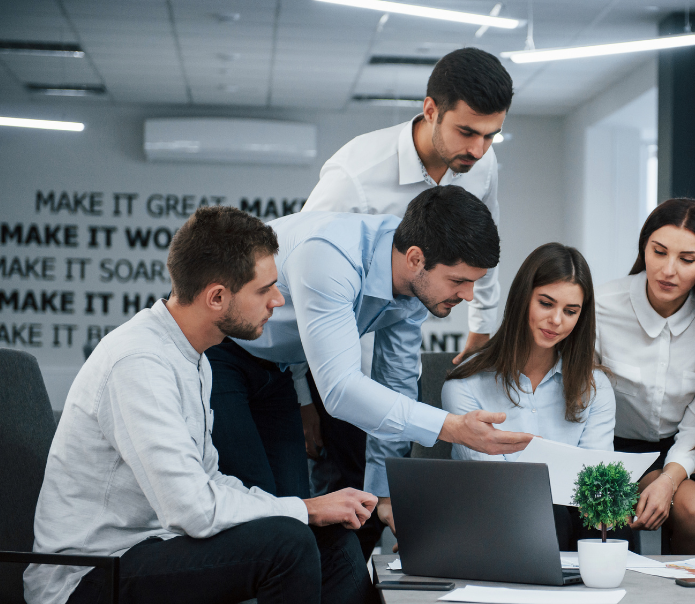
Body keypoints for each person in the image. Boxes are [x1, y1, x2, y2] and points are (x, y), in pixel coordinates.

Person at [24, 207, 385, 604]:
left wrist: (314, 512)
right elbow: (192, 510)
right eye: (265, 289)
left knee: (332, 536)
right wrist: (303, 508)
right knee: (288, 542)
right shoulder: (138, 362)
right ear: (216, 297)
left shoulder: (194, 357)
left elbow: (210, 481)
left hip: (153, 548)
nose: (279, 300)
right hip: (89, 578)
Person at [206, 186, 533, 557]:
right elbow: (341, 390)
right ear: (415, 258)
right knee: (266, 515)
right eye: (459, 281)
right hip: (224, 350)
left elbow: (397, 384)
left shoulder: (413, 284)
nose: (470, 295)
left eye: (475, 281)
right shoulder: (330, 257)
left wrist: (384, 493)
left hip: (279, 365)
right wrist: (453, 427)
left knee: (293, 516)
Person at [295, 46, 513, 518]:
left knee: (385, 483)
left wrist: (483, 322)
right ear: (430, 110)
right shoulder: (354, 177)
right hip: (324, 345)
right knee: (341, 480)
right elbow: (290, 290)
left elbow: (485, 244)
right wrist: (300, 394)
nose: (477, 150)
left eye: (491, 136)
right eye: (467, 132)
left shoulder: (480, 164)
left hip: (397, 328)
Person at [594, 198, 695, 565]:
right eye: (659, 252)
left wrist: (670, 477)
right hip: (622, 445)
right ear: (644, 248)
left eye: (687, 259)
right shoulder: (601, 307)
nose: (668, 270)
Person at [441, 242, 625, 550]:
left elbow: (597, 484)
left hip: (572, 524)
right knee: (545, 510)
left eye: (570, 311)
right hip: (495, 521)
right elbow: (494, 485)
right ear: (523, 298)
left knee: (609, 514)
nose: (557, 320)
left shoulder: (595, 387)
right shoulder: (466, 385)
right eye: (546, 303)